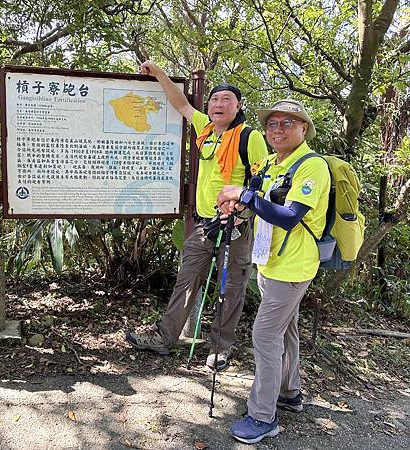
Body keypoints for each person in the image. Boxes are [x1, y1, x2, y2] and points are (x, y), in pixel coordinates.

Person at [125, 61, 268, 369]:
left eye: (226, 99)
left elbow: (262, 182)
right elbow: (181, 104)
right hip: (205, 224)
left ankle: (220, 347)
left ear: (238, 105)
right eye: (215, 99)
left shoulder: (249, 137)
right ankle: (164, 338)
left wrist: (242, 215)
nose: (219, 104)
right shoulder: (205, 127)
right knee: (186, 280)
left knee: (231, 288)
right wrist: (159, 74)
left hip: (236, 227)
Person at [216, 99, 330, 443]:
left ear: (303, 128)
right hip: (269, 259)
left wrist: (246, 198)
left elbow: (289, 216)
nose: (277, 130)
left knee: (265, 334)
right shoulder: (270, 163)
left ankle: (263, 416)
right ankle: (289, 393)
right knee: (287, 327)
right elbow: (257, 196)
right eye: (272, 124)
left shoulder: (312, 167)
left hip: (294, 265)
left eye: (286, 123)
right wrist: (236, 205)